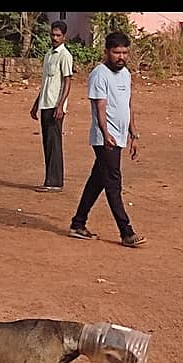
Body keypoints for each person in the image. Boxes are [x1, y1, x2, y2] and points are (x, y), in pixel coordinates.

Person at [68, 31, 146, 248]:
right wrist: (106, 133)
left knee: (98, 180)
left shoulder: (126, 74)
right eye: (116, 52)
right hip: (105, 139)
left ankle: (78, 223)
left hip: (120, 136)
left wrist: (133, 134)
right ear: (107, 52)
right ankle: (126, 232)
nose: (121, 56)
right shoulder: (99, 74)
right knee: (113, 183)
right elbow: (99, 106)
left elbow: (127, 105)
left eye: (124, 52)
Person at [30, 20, 73, 193]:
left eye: (58, 35)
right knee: (47, 143)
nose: (54, 38)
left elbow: (68, 81)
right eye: (53, 35)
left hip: (56, 105)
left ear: (64, 37)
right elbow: (46, 83)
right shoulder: (49, 54)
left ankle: (55, 182)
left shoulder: (65, 56)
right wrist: (36, 104)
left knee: (54, 143)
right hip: (45, 104)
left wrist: (61, 105)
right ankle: (50, 180)